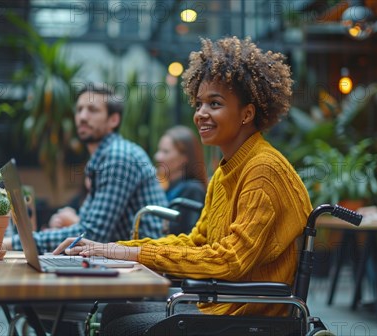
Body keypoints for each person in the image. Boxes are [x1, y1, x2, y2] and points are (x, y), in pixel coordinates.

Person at [53, 36, 313, 335]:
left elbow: (229, 260)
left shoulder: (263, 169)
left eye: (214, 104)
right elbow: (196, 242)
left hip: (251, 316)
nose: (200, 113)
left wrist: (130, 254)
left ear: (247, 113)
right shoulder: (226, 171)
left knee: (123, 326)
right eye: (199, 103)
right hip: (220, 304)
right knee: (117, 310)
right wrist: (112, 250)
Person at [3, 85, 167, 253]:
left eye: (93, 110)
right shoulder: (103, 157)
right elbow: (87, 226)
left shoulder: (119, 157)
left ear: (114, 120)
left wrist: (12, 243)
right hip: (120, 258)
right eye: (79, 109)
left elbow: (92, 234)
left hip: (145, 266)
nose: (82, 116)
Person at [155, 125, 207, 234]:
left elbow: (190, 236)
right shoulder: (168, 187)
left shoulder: (193, 190)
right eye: (159, 150)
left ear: (184, 158)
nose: (158, 157)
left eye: (165, 152)